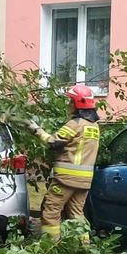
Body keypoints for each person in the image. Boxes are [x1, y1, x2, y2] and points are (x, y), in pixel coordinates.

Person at [24, 84, 101, 242]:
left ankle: (51, 248)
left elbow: (54, 143)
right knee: (77, 214)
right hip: (85, 181)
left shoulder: (75, 124)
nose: (68, 105)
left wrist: (36, 129)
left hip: (66, 179)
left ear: (76, 104)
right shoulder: (94, 126)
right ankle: (84, 249)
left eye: (70, 101)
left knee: (51, 211)